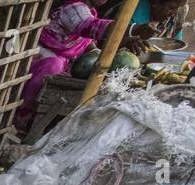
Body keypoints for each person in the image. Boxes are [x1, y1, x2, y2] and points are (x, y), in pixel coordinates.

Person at [14, 0, 182, 133]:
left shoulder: (89, 10)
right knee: (54, 65)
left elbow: (89, 45)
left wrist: (121, 45)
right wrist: (134, 29)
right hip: (42, 57)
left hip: (66, 61)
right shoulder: (72, 8)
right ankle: (23, 117)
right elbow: (92, 27)